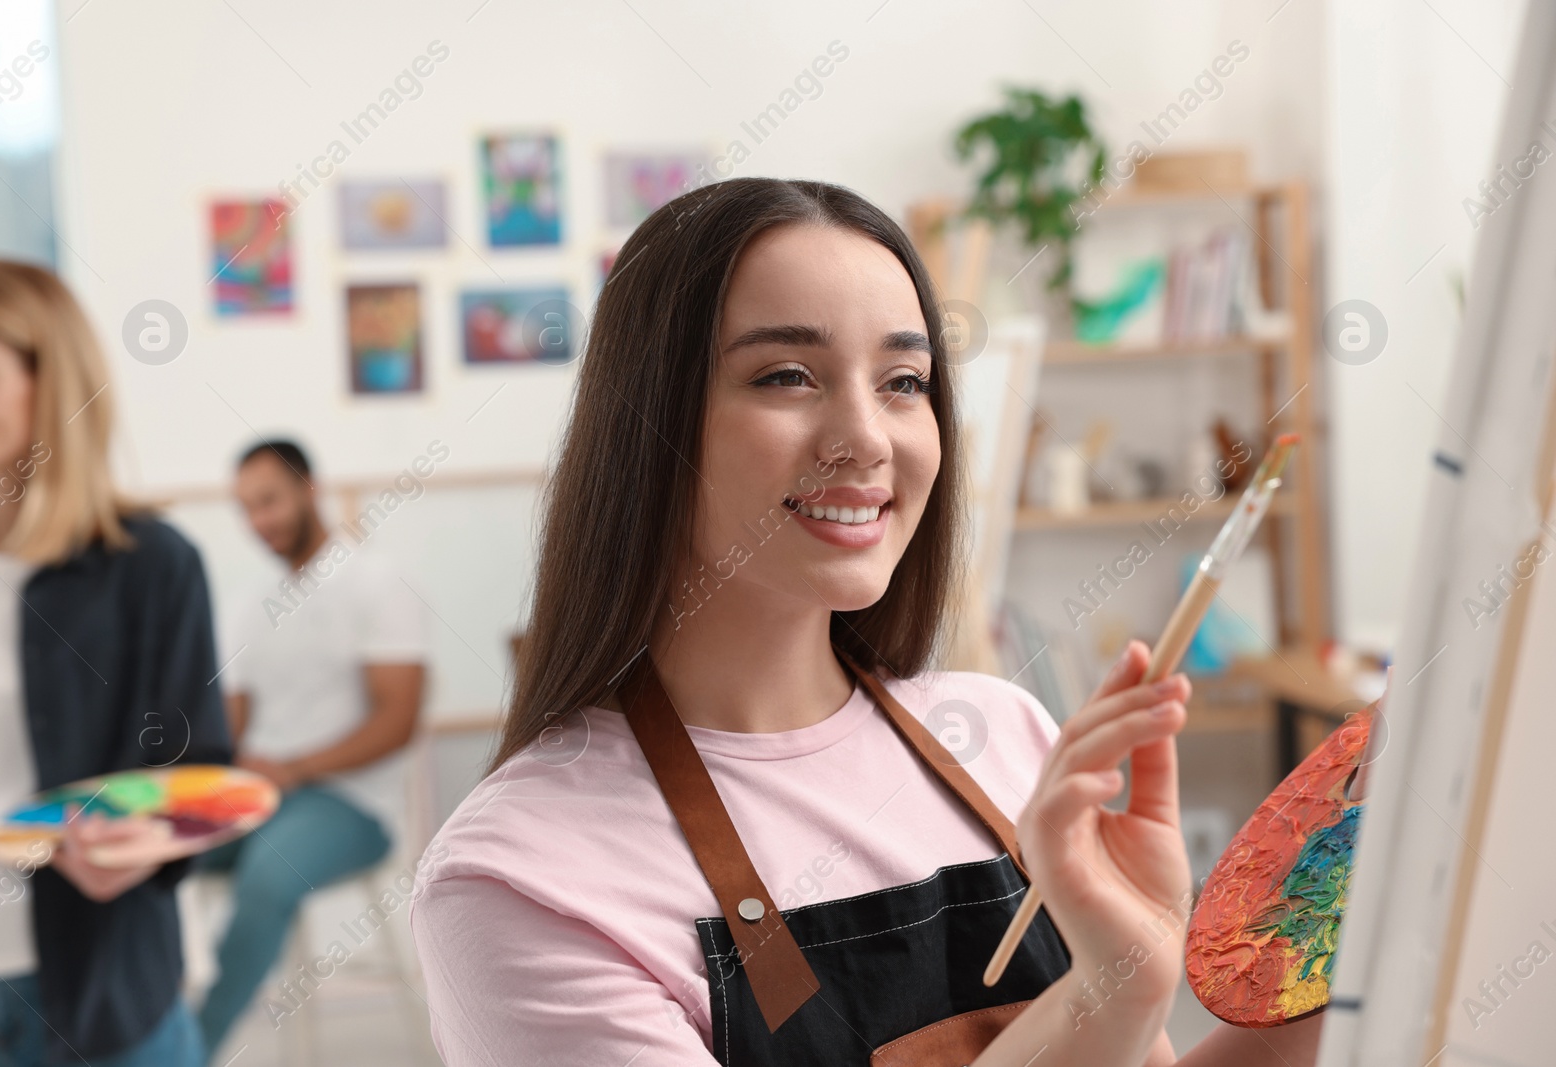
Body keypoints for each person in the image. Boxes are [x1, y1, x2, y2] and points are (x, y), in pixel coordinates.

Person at [409, 179, 1326, 1066]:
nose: (868, 436)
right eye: (787, 375)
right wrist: (1107, 992)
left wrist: (1345, 939)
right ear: (648, 424)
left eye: (902, 381)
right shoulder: (524, 879)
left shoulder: (1002, 734)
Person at [0, 259, 230, 1066]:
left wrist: (143, 847)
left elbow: (199, 773)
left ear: (52, 379)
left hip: (95, 987)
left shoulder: (152, 565)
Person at [198, 439, 427, 1058]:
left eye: (269, 500)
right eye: (246, 509)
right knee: (150, 858)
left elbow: (398, 721)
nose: (259, 522)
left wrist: (293, 770)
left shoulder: (379, 584)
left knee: (267, 877)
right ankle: (131, 1028)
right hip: (259, 795)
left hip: (351, 804)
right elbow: (229, 728)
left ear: (308, 487)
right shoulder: (249, 606)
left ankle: (191, 1049)